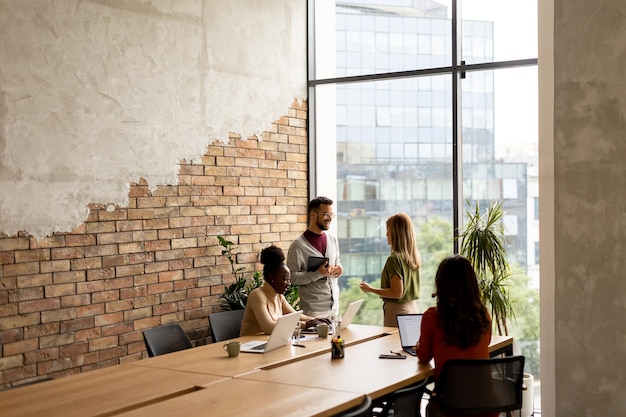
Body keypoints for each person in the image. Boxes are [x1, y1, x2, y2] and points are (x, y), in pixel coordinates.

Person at [416, 254, 495, 417]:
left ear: (441, 284)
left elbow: (423, 356)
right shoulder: (483, 316)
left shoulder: (432, 317)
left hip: (450, 408)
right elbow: (485, 343)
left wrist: (419, 345)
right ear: (471, 284)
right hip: (486, 406)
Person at [240, 245, 325, 336]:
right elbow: (268, 327)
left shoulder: (279, 296)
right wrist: (304, 325)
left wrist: (316, 319)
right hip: (249, 344)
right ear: (272, 277)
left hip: (269, 342)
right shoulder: (257, 295)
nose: (289, 283)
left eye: (289, 280)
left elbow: (296, 316)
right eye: (285, 279)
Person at [359, 213, 421, 327]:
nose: (386, 234)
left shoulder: (394, 259)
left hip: (398, 312)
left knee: (392, 344)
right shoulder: (413, 257)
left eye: (388, 230)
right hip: (413, 310)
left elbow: (396, 293)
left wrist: (371, 289)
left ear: (396, 234)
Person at [287, 196, 343, 318]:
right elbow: (292, 278)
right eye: (326, 214)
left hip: (334, 307)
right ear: (313, 214)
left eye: (332, 215)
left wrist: (339, 268)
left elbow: (337, 261)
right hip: (314, 310)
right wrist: (318, 273)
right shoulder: (298, 246)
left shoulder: (332, 239)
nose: (329, 219)